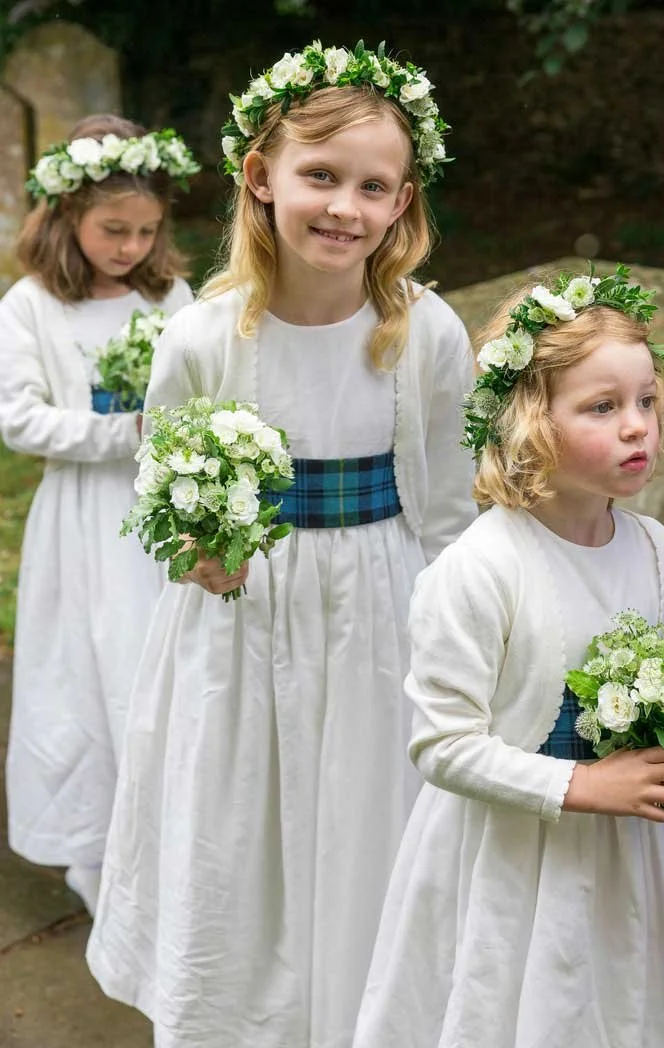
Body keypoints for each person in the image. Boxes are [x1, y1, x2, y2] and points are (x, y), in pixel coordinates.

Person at [85, 41, 476, 1048]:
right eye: (319, 176)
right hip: (241, 613)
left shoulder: (421, 333)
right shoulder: (206, 337)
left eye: (371, 186)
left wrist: (460, 639)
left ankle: (364, 1016)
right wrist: (195, 551)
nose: (342, 205)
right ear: (261, 178)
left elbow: (443, 506)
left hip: (377, 610)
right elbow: (164, 482)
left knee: (364, 816)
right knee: (238, 821)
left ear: (400, 203)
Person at [352, 267, 664, 1048]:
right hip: (507, 862)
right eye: (601, 407)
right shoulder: (480, 570)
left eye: (646, 400)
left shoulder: (654, 553)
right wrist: (581, 782)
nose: (637, 426)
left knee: (612, 1009)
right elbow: (442, 745)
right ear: (526, 423)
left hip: (620, 858)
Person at [0, 113, 198, 915]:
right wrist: (120, 431)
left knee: (163, 666)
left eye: (147, 231)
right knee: (89, 669)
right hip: (84, 515)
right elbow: (18, 417)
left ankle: (169, 839)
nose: (131, 248)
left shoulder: (170, 294)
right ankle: (92, 845)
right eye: (114, 229)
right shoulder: (33, 305)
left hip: (164, 506)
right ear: (68, 216)